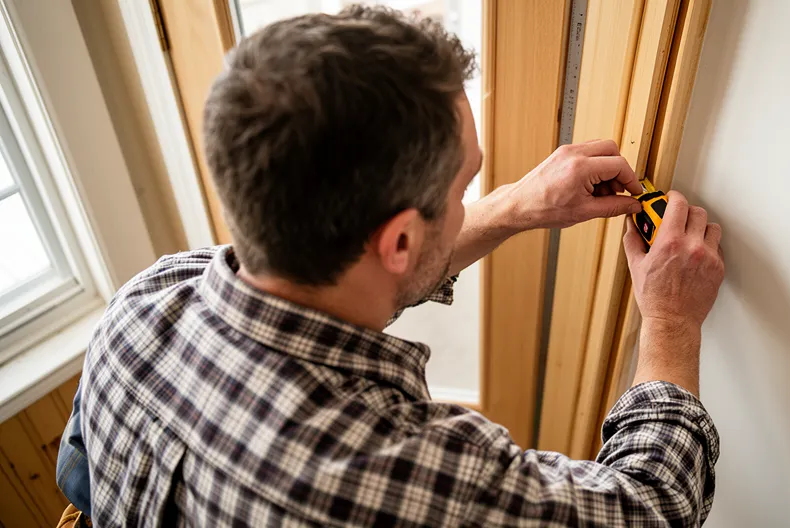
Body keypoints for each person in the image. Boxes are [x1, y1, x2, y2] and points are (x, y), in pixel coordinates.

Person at [59, 6, 725, 526]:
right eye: (464, 189)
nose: (471, 203)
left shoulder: (146, 297)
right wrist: (669, 322)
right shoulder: (392, 477)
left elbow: (334, 288)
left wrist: (513, 208)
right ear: (399, 242)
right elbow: (649, 508)